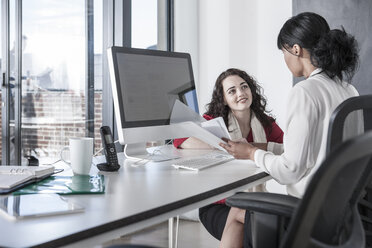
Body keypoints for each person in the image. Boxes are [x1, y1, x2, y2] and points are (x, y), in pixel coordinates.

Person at [218, 12, 362, 247]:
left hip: (309, 213)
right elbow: (319, 149)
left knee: (236, 211)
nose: (284, 59)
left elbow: (290, 170)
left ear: (295, 49)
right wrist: (265, 147)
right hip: (340, 211)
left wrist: (252, 154)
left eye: (283, 52)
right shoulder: (348, 89)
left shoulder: (305, 92)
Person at [173, 68, 284, 241]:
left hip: (252, 200)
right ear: (224, 99)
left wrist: (249, 148)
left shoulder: (266, 124)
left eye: (244, 87)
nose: (240, 93)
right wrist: (227, 146)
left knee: (264, 230)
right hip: (217, 204)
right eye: (232, 91)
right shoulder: (212, 121)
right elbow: (180, 139)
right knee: (259, 231)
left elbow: (287, 147)